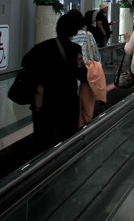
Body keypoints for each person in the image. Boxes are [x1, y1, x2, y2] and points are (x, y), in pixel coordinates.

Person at [22, 9, 87, 151]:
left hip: (43, 104)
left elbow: (25, 62)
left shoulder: (42, 47)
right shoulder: (75, 49)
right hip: (67, 103)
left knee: (42, 141)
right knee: (67, 140)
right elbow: (82, 74)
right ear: (73, 31)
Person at [73, 16, 104, 126]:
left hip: (71, 76)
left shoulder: (69, 37)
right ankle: (84, 126)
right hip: (86, 73)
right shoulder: (88, 35)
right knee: (86, 108)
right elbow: (96, 56)